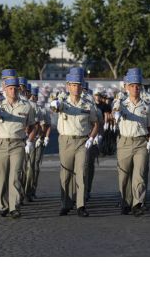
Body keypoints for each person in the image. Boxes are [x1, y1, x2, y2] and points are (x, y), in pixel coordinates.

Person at [0, 70, 36, 218]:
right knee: (2, 178)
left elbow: (32, 125)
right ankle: (3, 205)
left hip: (17, 144)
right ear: (5, 89)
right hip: (0, 144)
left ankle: (14, 207)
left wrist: (30, 140)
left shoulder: (26, 106)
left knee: (15, 176)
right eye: (10, 88)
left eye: (15, 88)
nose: (12, 91)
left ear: (19, 89)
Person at [50, 67, 99, 217]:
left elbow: (96, 123)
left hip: (82, 142)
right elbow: (55, 108)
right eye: (73, 85)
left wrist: (91, 138)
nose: (76, 88)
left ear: (82, 86)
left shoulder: (87, 104)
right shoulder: (63, 102)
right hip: (66, 140)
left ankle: (81, 205)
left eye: (78, 85)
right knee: (66, 173)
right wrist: (54, 105)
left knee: (82, 172)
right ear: (68, 86)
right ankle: (65, 203)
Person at [113, 68, 150, 216]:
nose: (135, 88)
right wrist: (116, 113)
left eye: (138, 85)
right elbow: (115, 111)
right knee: (124, 175)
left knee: (139, 174)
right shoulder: (121, 103)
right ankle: (125, 201)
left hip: (141, 143)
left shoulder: (146, 106)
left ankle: (138, 203)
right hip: (124, 142)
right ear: (126, 87)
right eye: (132, 85)